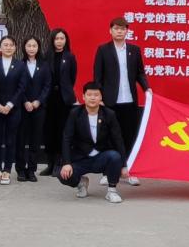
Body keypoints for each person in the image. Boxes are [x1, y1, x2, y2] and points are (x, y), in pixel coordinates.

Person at [94, 17, 150, 186]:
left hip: (129, 100)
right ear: (110, 31)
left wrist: (147, 88)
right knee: (110, 137)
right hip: (110, 101)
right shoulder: (103, 50)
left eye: (123, 29)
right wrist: (99, 97)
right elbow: (98, 77)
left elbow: (140, 73)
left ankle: (129, 171)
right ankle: (108, 172)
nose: (119, 31)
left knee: (129, 136)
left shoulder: (134, 50)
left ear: (127, 31)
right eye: (116, 29)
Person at [58, 81, 129, 203]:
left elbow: (118, 139)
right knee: (63, 174)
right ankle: (81, 183)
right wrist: (66, 163)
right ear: (83, 96)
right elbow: (66, 138)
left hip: (101, 157)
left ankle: (112, 191)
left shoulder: (109, 114)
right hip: (81, 157)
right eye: (89, 95)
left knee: (114, 156)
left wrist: (124, 165)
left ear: (101, 97)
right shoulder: (75, 113)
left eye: (96, 95)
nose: (92, 98)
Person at [0, 36, 27, 185]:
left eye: (11, 45)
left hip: (14, 109)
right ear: (0, 47)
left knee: (11, 140)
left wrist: (10, 104)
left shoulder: (20, 65)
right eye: (5, 45)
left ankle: (7, 170)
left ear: (15, 47)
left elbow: (22, 87)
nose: (8, 47)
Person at [41, 28, 77, 177]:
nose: (59, 41)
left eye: (62, 38)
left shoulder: (70, 57)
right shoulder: (46, 56)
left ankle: (59, 163)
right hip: (49, 98)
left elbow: (72, 78)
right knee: (49, 131)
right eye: (57, 39)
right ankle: (50, 163)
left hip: (64, 100)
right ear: (52, 40)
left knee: (62, 131)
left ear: (66, 40)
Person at [16, 37, 50, 181]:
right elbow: (17, 86)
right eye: (29, 45)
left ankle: (31, 169)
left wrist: (38, 101)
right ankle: (20, 169)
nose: (31, 48)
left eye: (34, 46)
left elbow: (47, 86)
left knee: (35, 140)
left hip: (39, 108)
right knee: (20, 139)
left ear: (38, 47)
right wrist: (25, 101)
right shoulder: (19, 64)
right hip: (22, 107)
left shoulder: (44, 65)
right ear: (24, 47)